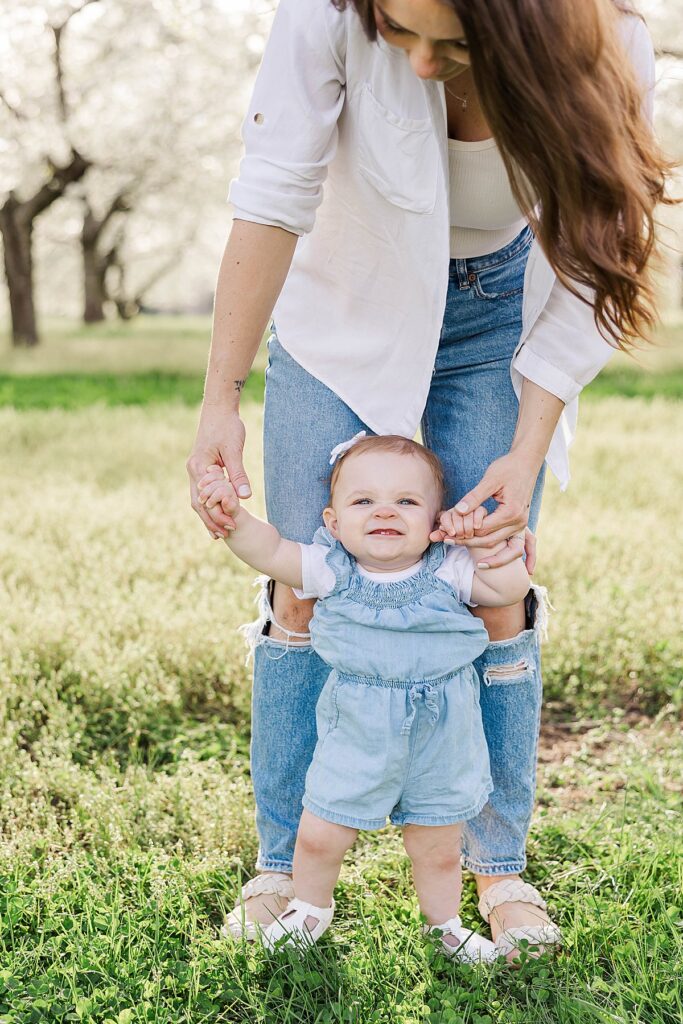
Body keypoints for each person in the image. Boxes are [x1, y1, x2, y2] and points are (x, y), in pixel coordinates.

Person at [187, 0, 669, 960]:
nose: (416, 65)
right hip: (344, 305)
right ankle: (283, 864)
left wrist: (527, 443)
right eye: (396, 33)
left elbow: (601, 250)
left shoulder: (608, 46)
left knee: (495, 588)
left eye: (450, 47)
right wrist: (219, 395)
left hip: (504, 318)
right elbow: (274, 193)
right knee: (302, 591)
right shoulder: (325, 14)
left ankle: (498, 868)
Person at [199, 434, 555, 958]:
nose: (384, 511)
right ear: (334, 521)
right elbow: (271, 552)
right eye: (363, 501)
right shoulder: (330, 567)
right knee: (320, 834)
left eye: (406, 502)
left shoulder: (451, 569)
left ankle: (446, 928)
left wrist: (486, 547)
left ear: (436, 520)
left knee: (435, 851)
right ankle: (309, 910)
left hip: (443, 736)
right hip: (355, 734)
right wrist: (234, 519)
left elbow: (505, 591)